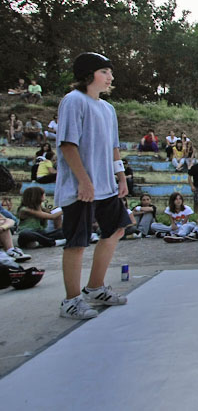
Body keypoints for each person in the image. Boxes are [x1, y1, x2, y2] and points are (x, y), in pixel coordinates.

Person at [55, 52, 131, 320]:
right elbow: (67, 144)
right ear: (88, 75)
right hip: (80, 186)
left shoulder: (108, 109)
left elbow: (113, 147)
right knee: (77, 241)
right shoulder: (74, 101)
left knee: (117, 229)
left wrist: (120, 177)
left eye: (111, 72)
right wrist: (84, 181)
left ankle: (95, 288)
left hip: (105, 185)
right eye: (104, 71)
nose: (110, 77)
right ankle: (71, 300)